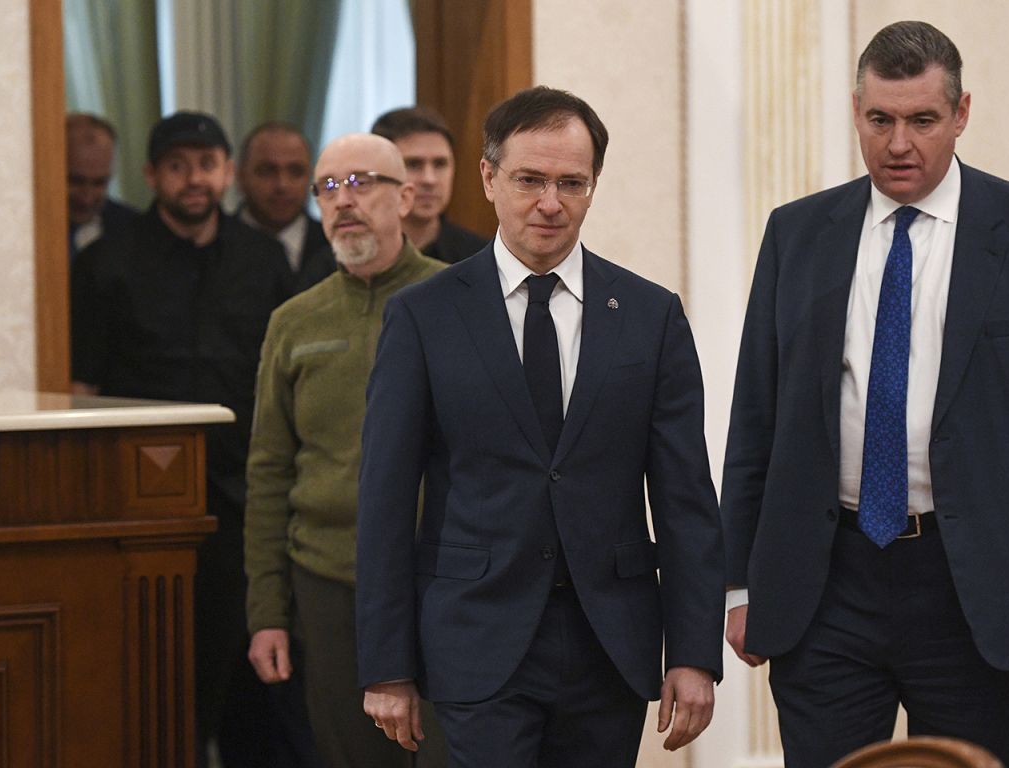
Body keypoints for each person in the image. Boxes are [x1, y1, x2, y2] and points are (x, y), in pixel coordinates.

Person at [720, 21, 1009, 767]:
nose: (898, 143)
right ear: (857, 112)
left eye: (922, 120)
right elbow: (757, 418)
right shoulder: (798, 233)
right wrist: (736, 583)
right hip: (827, 586)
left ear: (961, 114)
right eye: (880, 119)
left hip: (985, 585)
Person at [357, 86, 725, 767]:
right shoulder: (424, 316)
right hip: (474, 636)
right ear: (490, 178)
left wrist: (695, 654)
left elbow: (686, 501)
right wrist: (386, 665)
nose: (550, 202)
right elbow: (383, 499)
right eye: (530, 180)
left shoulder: (650, 316)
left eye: (571, 183)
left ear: (593, 188)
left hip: (608, 643)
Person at [70, 111, 298, 767]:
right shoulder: (104, 263)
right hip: (131, 507)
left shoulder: (263, 262)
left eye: (206, 164)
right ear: (150, 176)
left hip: (243, 499)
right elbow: (82, 387)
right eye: (177, 165)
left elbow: (286, 382)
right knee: (144, 667)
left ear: (227, 173)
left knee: (241, 665)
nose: (193, 179)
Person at [244, 133, 448, 768]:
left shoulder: (461, 301)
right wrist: (266, 613)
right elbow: (270, 472)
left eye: (361, 183)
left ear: (405, 197)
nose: (343, 201)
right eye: (328, 188)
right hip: (331, 583)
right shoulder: (295, 321)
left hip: (446, 578)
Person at [371, 106, 488, 263]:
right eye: (413, 164)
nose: (429, 179)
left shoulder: (481, 258)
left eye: (440, 164)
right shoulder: (346, 256)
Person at [236, 121, 337, 293]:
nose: (282, 185)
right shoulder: (212, 246)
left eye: (296, 171)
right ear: (241, 177)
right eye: (267, 171)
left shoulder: (335, 246)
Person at [66, 112, 137, 259]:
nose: (87, 198)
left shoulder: (135, 229)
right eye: (76, 181)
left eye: (99, 183)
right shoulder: (28, 232)